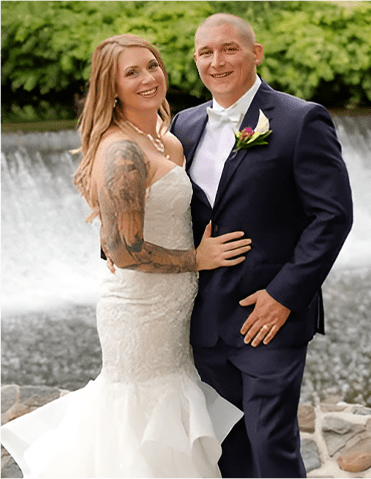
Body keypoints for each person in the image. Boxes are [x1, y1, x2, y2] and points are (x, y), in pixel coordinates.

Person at [0, 33, 252, 478]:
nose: (148, 77)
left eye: (152, 65)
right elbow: (123, 250)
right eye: (131, 72)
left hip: (174, 308)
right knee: (140, 416)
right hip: (139, 310)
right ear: (110, 86)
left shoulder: (164, 140)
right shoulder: (122, 151)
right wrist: (198, 259)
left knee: (168, 412)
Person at [170, 13, 353, 479]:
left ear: (256, 53)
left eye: (229, 48)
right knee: (227, 449)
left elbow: (331, 217)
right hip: (202, 320)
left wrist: (284, 296)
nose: (216, 61)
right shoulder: (183, 125)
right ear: (195, 60)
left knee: (271, 443)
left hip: (268, 319)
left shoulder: (299, 119)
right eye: (205, 52)